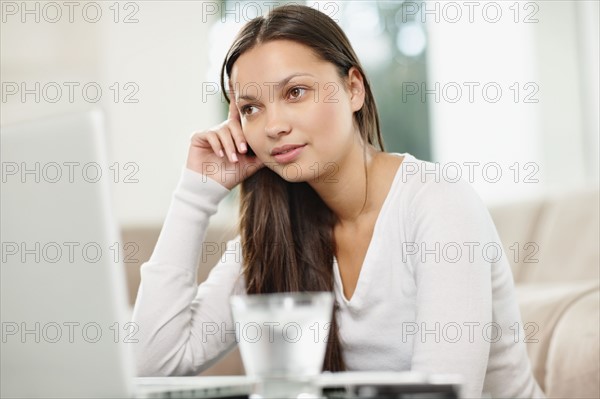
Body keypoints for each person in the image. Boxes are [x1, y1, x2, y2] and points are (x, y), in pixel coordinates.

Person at [132, 4, 545, 398]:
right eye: (251, 108)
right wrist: (195, 194)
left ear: (353, 89)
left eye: (295, 92)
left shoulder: (438, 205)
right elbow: (155, 363)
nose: (274, 125)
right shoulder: (274, 231)